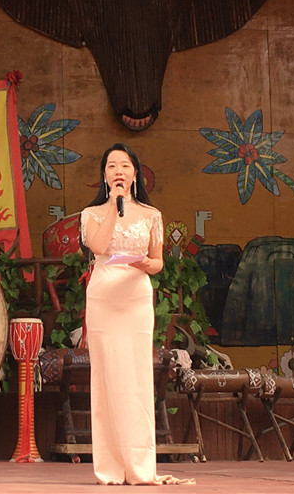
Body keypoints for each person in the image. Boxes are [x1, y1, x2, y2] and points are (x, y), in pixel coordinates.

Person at [80, 143, 193, 486]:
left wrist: (146, 263)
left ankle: (140, 465)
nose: (118, 171)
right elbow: (99, 247)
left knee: (137, 378)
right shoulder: (91, 214)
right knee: (106, 377)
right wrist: (114, 207)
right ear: (104, 175)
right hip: (103, 297)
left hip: (136, 298)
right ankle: (111, 467)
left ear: (135, 173)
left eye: (125, 165)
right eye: (112, 166)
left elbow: (158, 261)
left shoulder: (151, 215)